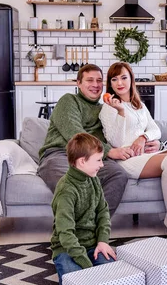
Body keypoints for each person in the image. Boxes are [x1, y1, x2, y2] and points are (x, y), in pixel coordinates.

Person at [100, 62, 167, 240]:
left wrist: (144, 138)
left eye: (123, 77)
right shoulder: (108, 108)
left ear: (131, 79)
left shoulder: (139, 105)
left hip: (145, 154)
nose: (120, 82)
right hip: (128, 159)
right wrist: (120, 111)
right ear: (110, 84)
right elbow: (116, 141)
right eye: (114, 79)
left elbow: (156, 129)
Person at [38, 64, 136, 216]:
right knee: (71, 182)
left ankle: (97, 226)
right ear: (78, 83)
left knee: (118, 174)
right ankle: (79, 230)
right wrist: (109, 151)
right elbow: (75, 134)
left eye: (99, 81)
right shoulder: (69, 101)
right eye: (90, 80)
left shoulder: (105, 109)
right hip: (61, 154)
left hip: (94, 157)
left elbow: (126, 131)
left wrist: (146, 139)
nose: (95, 85)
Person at [51, 133, 116, 285]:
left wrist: (102, 241)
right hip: (67, 248)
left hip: (93, 244)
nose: (102, 165)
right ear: (82, 161)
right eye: (98, 160)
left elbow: (103, 212)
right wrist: (86, 265)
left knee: (114, 279)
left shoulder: (93, 178)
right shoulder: (66, 190)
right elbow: (65, 233)